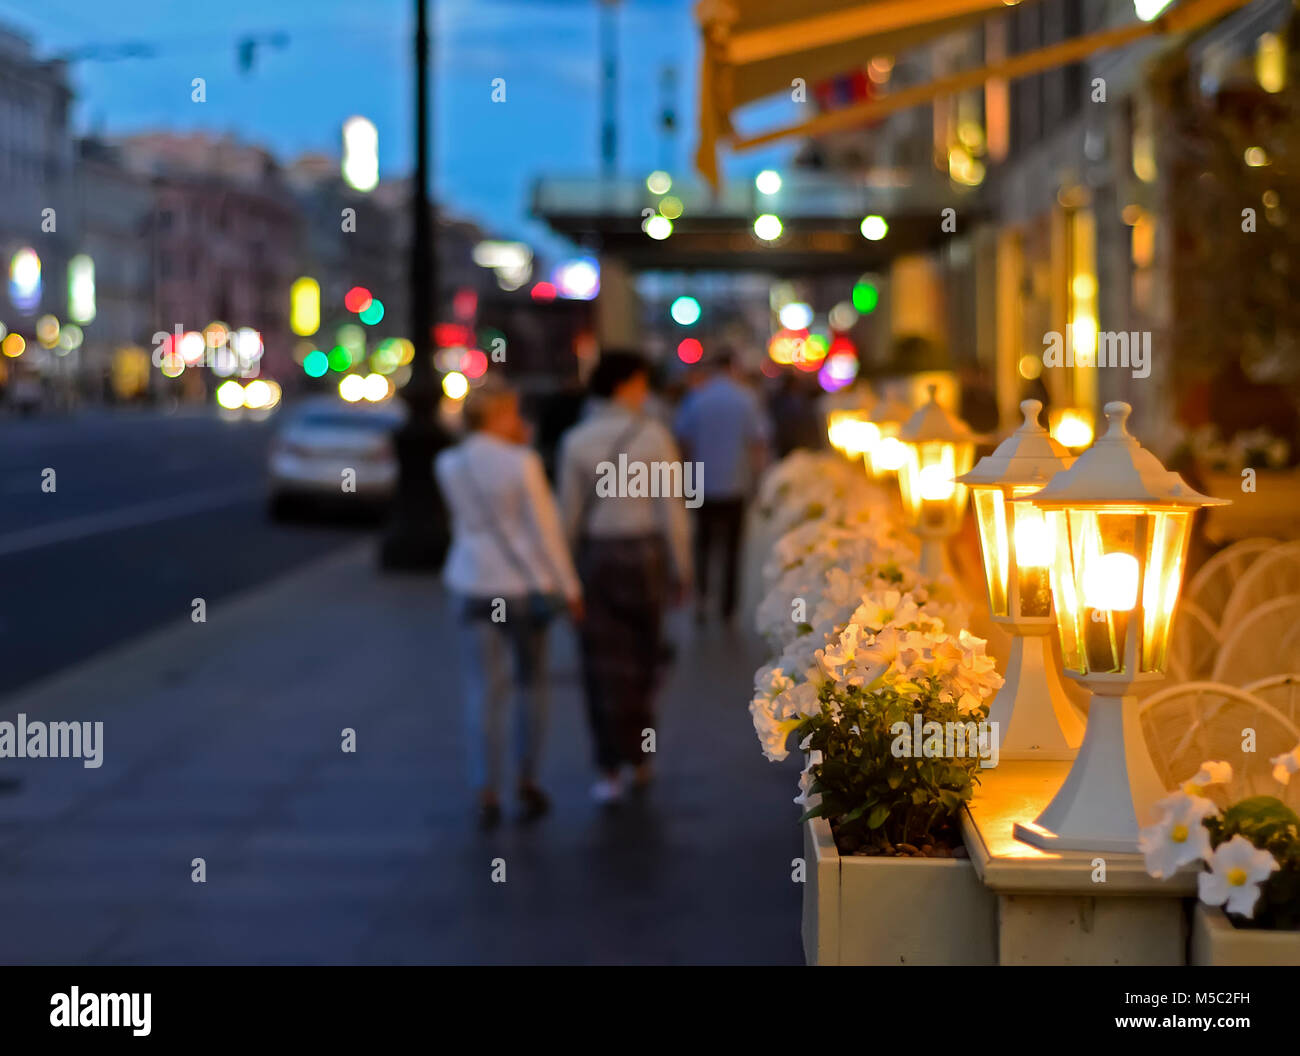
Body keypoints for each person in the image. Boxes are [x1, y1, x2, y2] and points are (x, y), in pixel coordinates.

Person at [435, 378, 583, 829]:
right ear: (498, 415)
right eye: (514, 413)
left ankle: (485, 788)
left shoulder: (449, 461)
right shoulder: (522, 462)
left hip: (470, 581)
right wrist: (570, 588)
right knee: (531, 684)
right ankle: (527, 779)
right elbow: (546, 531)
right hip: (521, 589)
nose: (521, 422)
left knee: (482, 688)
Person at [558, 350, 692, 805]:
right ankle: (641, 756)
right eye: (640, 383)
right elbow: (671, 510)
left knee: (601, 665)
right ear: (625, 385)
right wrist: (683, 568)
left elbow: (567, 519)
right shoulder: (654, 436)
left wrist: (564, 580)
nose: (645, 392)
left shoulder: (576, 440)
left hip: (598, 557)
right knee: (644, 658)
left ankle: (608, 767)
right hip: (647, 555)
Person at [673, 349, 769, 624]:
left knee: (702, 544)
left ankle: (702, 598)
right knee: (733, 547)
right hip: (735, 483)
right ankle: (728, 607)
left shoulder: (696, 398)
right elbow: (758, 443)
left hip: (700, 482)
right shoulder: (746, 398)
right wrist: (757, 480)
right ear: (734, 367)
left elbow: (682, 442)